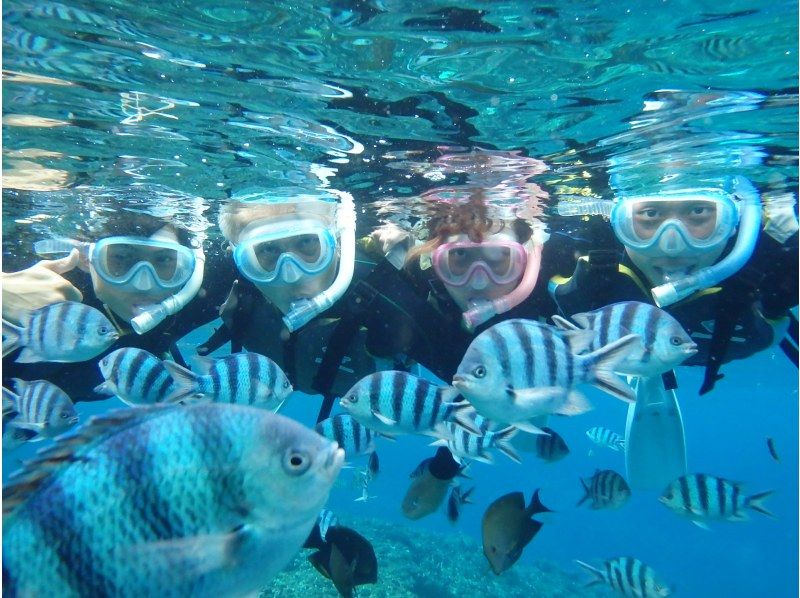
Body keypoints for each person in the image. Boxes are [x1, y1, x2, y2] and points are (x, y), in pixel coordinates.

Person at [549, 176, 798, 489]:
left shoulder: (773, 267)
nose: (672, 244)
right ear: (619, 224)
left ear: (733, 223)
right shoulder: (582, 265)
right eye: (650, 215)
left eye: (698, 213)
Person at [2, 211, 232, 401]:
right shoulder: (41, 286)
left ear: (189, 268)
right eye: (120, 257)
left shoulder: (199, 292)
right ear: (86, 259)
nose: (143, 284)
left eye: (163, 260)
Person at [200, 191, 391, 418]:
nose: (291, 275)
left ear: (337, 243)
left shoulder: (382, 283)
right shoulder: (230, 290)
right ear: (242, 261)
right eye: (268, 249)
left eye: (307, 241)